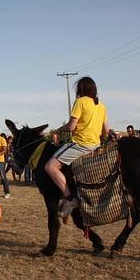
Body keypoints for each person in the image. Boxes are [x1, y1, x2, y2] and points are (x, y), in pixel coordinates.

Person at [44, 76, 108, 218]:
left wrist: (57, 131)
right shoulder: (101, 105)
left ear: (81, 89)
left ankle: (69, 199)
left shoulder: (80, 101)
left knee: (50, 167)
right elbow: (106, 132)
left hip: (80, 143)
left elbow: (71, 126)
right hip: (95, 145)